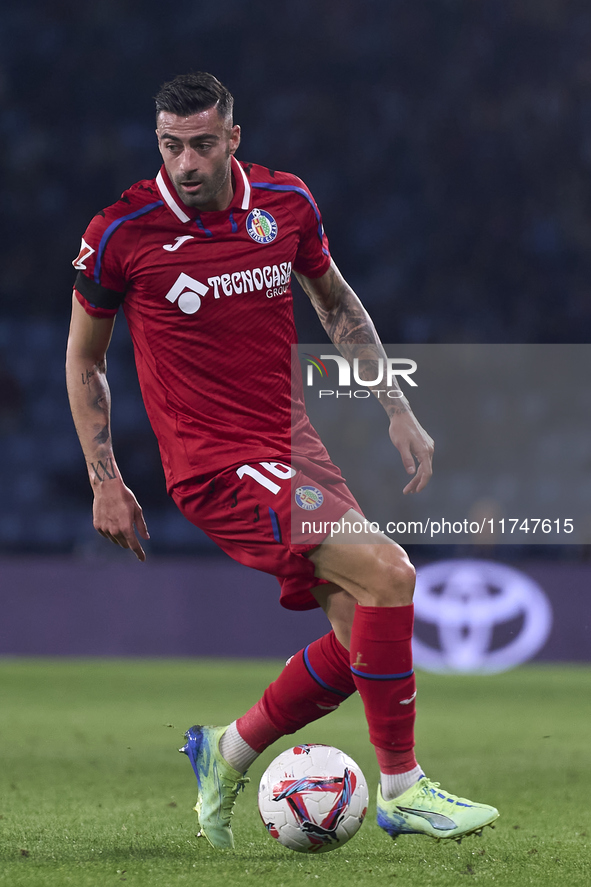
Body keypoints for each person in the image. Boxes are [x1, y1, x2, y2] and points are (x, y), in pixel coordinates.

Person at [66, 72, 499, 851]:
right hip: (214, 461)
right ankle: (402, 787)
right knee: (391, 572)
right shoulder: (121, 230)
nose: (186, 163)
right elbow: (86, 359)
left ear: (234, 138)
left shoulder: (285, 203)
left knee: (358, 632)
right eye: (170, 146)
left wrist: (395, 406)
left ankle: (224, 750)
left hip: (292, 442)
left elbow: (334, 302)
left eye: (201, 143)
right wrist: (105, 478)